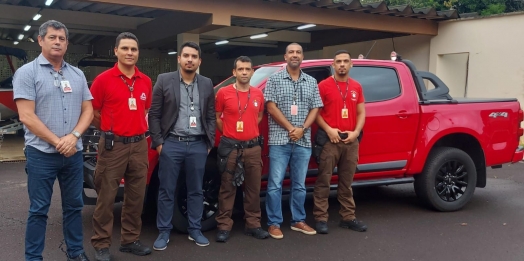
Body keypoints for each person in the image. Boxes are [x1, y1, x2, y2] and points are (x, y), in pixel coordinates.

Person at [13, 20, 93, 261]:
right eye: (52, 37)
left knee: (74, 207)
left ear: (67, 44)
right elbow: (26, 115)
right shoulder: (27, 73)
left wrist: (74, 137)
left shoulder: (77, 74)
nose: (57, 41)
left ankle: (76, 253)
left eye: (62, 38)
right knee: (38, 210)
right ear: (40, 40)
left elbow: (88, 110)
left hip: (73, 154)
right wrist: (59, 141)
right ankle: (33, 257)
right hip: (41, 155)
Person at [89, 32, 152, 261]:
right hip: (112, 146)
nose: (129, 53)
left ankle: (130, 240)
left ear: (138, 52)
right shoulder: (103, 80)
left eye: (133, 49)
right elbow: (93, 112)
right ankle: (101, 244)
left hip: (138, 145)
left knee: (136, 197)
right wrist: (108, 128)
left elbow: (144, 110)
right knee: (106, 197)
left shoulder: (145, 81)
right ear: (115, 51)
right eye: (125, 48)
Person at [149, 41, 216, 249]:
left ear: (199, 61)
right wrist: (159, 143)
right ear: (179, 58)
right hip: (172, 144)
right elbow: (154, 115)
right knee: (167, 190)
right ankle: (164, 231)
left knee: (196, 190)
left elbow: (211, 116)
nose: (190, 60)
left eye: (194, 57)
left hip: (197, 145)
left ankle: (195, 230)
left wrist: (209, 142)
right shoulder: (164, 80)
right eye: (186, 56)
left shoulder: (206, 83)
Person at [264, 43, 323, 239]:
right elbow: (270, 107)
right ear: (285, 56)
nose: (295, 55)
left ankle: (298, 220)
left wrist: (303, 129)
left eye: (298, 52)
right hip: (280, 140)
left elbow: (316, 108)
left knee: (299, 185)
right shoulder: (274, 79)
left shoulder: (311, 81)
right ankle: (274, 223)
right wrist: (291, 129)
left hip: (303, 141)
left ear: (302, 56)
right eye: (291, 52)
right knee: (274, 184)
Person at [214, 56, 269, 242]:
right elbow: (217, 117)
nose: (244, 72)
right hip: (230, 148)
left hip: (253, 148)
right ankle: (223, 225)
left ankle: (253, 224)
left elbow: (259, 116)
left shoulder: (258, 94)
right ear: (234, 72)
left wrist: (247, 132)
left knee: (253, 188)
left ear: (252, 72)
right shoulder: (223, 93)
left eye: (247, 69)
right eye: (241, 69)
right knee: (227, 188)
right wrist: (230, 134)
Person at [313, 50, 367, 234]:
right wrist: (329, 130)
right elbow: (316, 113)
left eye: (345, 61)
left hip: (351, 140)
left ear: (351, 64)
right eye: (338, 62)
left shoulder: (357, 87)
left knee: (346, 182)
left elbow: (361, 112)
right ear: (333, 65)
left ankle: (348, 217)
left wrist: (356, 132)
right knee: (323, 181)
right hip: (329, 141)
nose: (342, 64)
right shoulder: (323, 86)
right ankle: (320, 218)